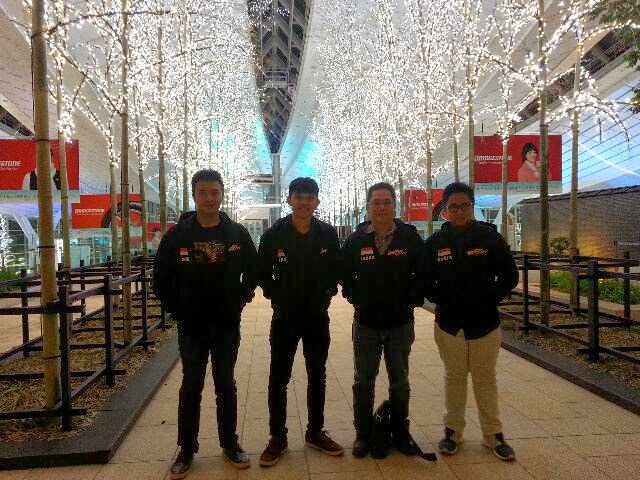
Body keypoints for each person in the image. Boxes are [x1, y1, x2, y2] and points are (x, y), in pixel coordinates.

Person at [153, 169, 257, 478]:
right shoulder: (178, 236)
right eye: (203, 193)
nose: (210, 198)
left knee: (226, 383)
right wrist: (178, 309)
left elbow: (254, 270)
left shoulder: (237, 233)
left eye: (215, 192)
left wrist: (241, 298)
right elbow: (161, 279)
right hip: (192, 325)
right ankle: (186, 448)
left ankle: (230, 443)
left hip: (226, 323)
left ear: (222, 194)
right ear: (194, 195)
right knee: (191, 385)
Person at [422, 182, 519, 461]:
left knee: (485, 378)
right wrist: (441, 299)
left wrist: (489, 298)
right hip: (449, 324)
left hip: (485, 322)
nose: (459, 211)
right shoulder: (436, 243)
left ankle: (493, 434)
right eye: (453, 207)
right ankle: (452, 431)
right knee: (454, 377)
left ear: (472, 206)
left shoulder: (489, 238)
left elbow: (510, 276)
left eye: (464, 206)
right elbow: (425, 280)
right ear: (445, 210)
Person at [257, 177, 344, 466]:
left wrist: (327, 294)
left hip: (317, 316)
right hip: (285, 317)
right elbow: (262, 272)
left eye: (309, 197)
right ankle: (277, 437)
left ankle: (315, 431)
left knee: (317, 374)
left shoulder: (328, 234)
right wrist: (276, 295)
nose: (304, 202)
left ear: (317, 201)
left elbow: (336, 269)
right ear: (289, 199)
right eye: (299, 196)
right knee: (278, 377)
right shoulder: (274, 235)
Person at [342, 182, 424, 458]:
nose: (381, 207)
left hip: (400, 323)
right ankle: (363, 434)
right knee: (363, 381)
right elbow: (345, 275)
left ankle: (400, 431)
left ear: (394, 205)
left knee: (399, 381)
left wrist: (411, 301)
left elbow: (422, 272)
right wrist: (357, 300)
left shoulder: (409, 237)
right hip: (366, 323)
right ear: (368, 207)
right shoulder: (355, 240)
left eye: (386, 202)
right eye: (376, 202)